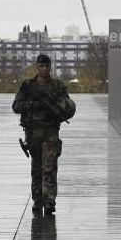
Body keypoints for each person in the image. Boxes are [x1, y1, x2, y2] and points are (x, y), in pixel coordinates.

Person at [12, 54, 77, 215]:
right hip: (33, 133)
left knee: (50, 167)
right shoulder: (28, 85)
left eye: (47, 66)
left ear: (50, 67)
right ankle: (37, 200)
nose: (44, 69)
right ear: (37, 67)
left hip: (50, 132)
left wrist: (55, 105)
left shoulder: (57, 86)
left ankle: (49, 200)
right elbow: (16, 106)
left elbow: (68, 106)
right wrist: (34, 105)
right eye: (41, 66)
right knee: (36, 168)